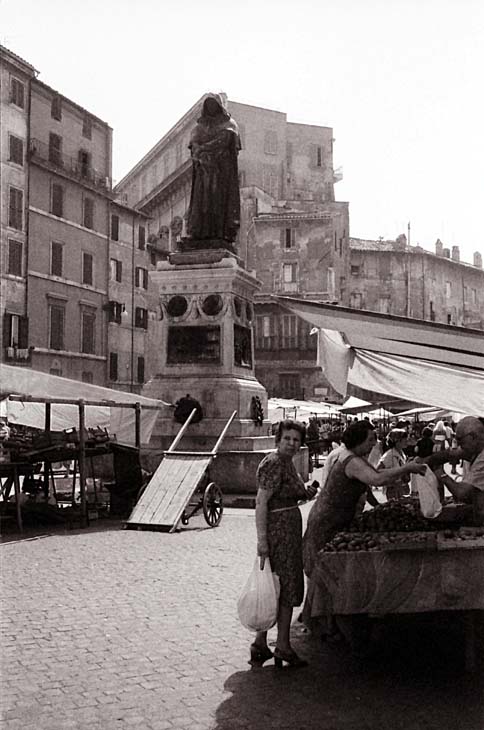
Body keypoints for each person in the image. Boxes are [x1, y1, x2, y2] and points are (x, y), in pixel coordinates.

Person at [303, 421, 426, 577]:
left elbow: (374, 478)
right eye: (370, 440)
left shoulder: (355, 457)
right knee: (325, 574)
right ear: (358, 439)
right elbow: (377, 478)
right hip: (327, 522)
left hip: (337, 520)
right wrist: (406, 468)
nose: (374, 443)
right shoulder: (351, 460)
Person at [251, 420, 318, 669]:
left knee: (275, 585)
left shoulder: (287, 463)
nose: (291, 443)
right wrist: (262, 540)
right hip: (279, 533)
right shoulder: (273, 463)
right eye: (287, 438)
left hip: (287, 529)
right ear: (278, 440)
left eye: (296, 440)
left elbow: (289, 492)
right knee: (285, 585)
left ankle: (260, 643)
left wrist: (305, 492)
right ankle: (282, 646)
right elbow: (261, 503)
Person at [186, 93, 241, 246]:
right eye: (208, 104)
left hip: (221, 172)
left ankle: (219, 233)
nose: (211, 107)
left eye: (213, 104)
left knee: (218, 203)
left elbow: (225, 141)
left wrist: (203, 149)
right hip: (203, 170)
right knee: (201, 202)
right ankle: (198, 233)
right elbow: (194, 144)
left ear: (219, 106)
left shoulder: (230, 124)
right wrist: (199, 154)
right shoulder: (199, 127)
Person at [433, 416, 484, 525]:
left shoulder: (482, 458)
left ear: (473, 437)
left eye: (461, 441)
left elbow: (461, 493)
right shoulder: (476, 451)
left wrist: (442, 475)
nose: (459, 445)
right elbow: (454, 453)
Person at [377, 428, 410, 500]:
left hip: (402, 487)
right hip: (393, 489)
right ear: (397, 441)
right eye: (405, 439)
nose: (407, 441)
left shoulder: (401, 453)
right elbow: (378, 469)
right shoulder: (389, 455)